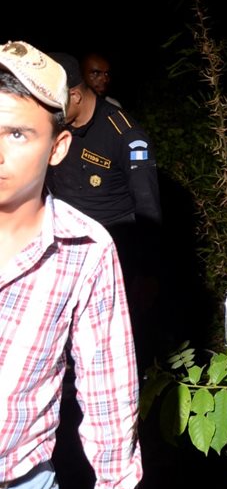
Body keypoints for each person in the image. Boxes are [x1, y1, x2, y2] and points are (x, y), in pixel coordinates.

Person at [0, 40, 143, 489]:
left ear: (56, 145)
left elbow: (107, 382)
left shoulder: (121, 128)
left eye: (17, 134)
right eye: (95, 71)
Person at [45, 53, 162, 364]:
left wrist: (148, 271)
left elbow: (148, 207)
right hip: (61, 249)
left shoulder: (125, 135)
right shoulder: (56, 127)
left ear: (74, 94)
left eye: (55, 105)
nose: (51, 113)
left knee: (110, 344)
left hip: (113, 249)